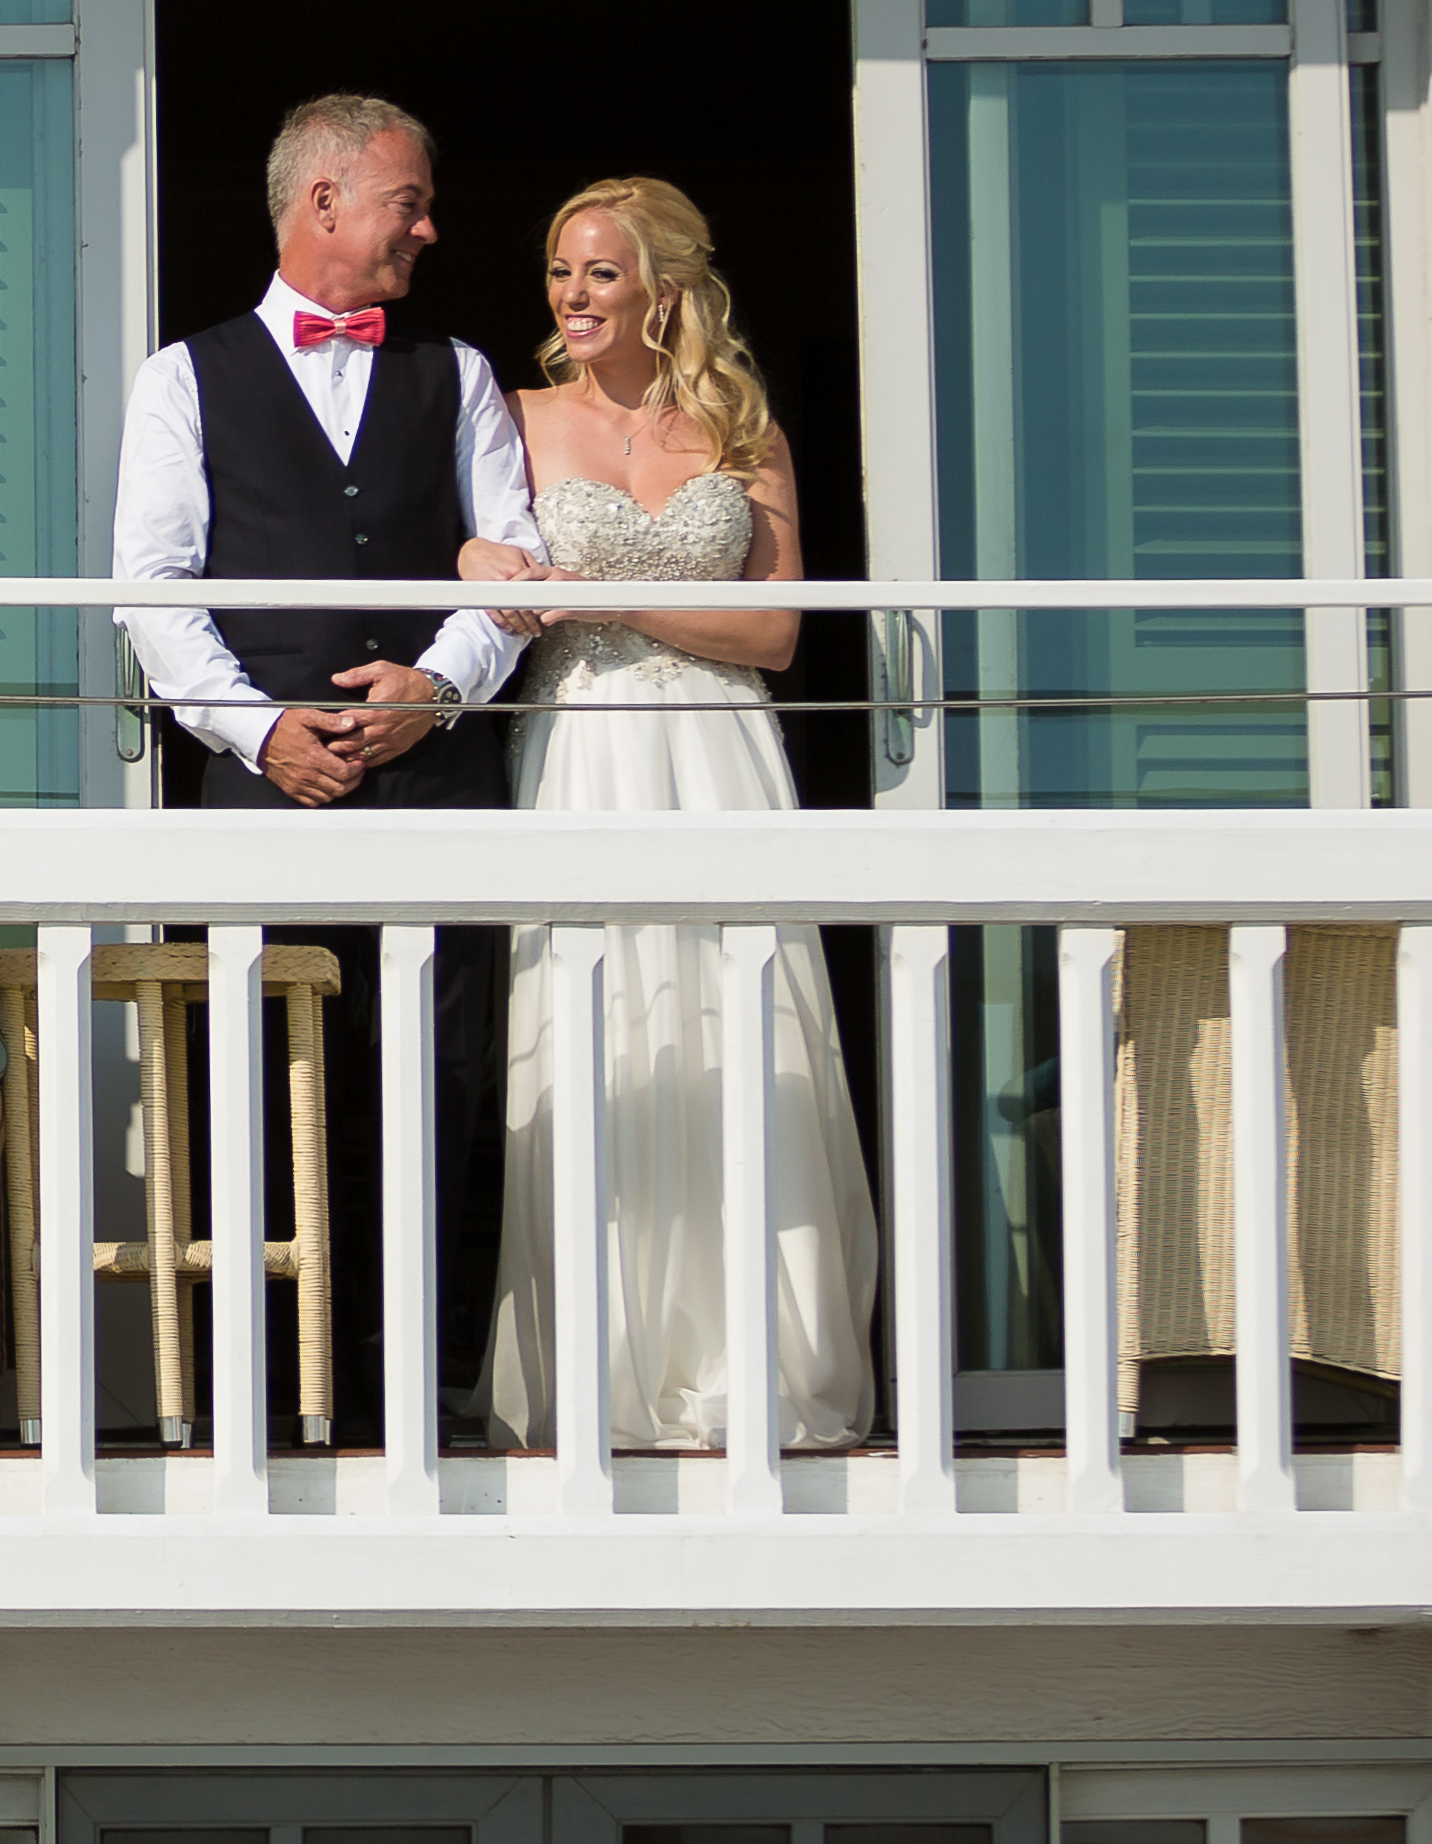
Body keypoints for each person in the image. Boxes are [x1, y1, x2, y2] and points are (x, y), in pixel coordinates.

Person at [110, 90, 545, 1447]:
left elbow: (515, 563)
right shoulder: (182, 375)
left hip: (437, 788)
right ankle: (257, 1407)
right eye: (405, 198)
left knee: (433, 1079)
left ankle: (404, 1397)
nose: (428, 222)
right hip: (260, 792)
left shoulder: (458, 372)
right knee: (252, 1079)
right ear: (321, 204)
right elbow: (150, 590)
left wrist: (437, 685)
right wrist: (258, 728)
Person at [457, 174, 883, 1451]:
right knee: (600, 1032)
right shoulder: (512, 417)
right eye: (557, 271)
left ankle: (754, 1354)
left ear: (665, 290)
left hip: (719, 751)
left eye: (597, 273)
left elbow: (772, 629)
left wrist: (605, 592)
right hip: (582, 749)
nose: (570, 297)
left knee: (742, 1026)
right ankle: (600, 1362)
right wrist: (485, 562)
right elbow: (475, 555)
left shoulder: (740, 430)